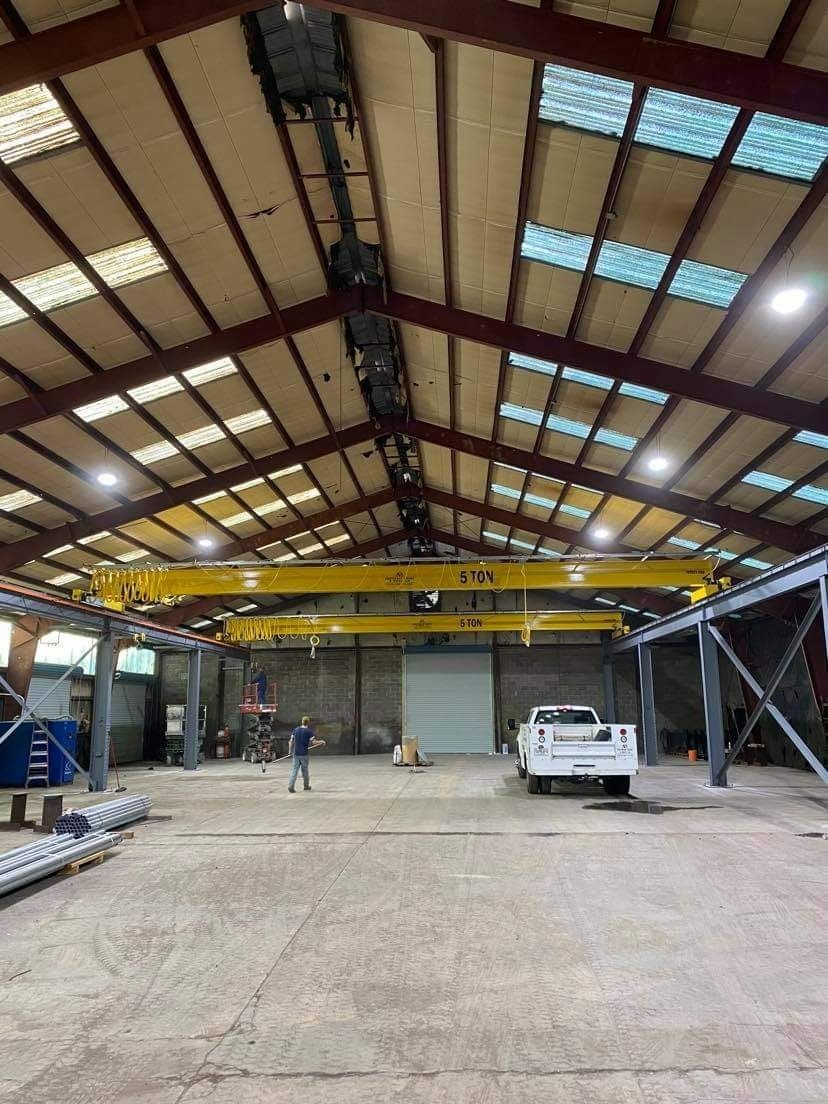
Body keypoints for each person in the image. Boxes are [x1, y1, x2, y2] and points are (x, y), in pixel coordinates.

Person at [287, 715, 321, 793]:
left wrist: (289, 751)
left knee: (294, 770)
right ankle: (306, 786)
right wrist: (321, 742)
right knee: (305, 771)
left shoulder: (296, 730)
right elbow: (314, 742)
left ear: (302, 722)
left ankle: (290, 786)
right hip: (304, 754)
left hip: (296, 754)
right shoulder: (309, 731)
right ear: (308, 723)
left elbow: (291, 741)